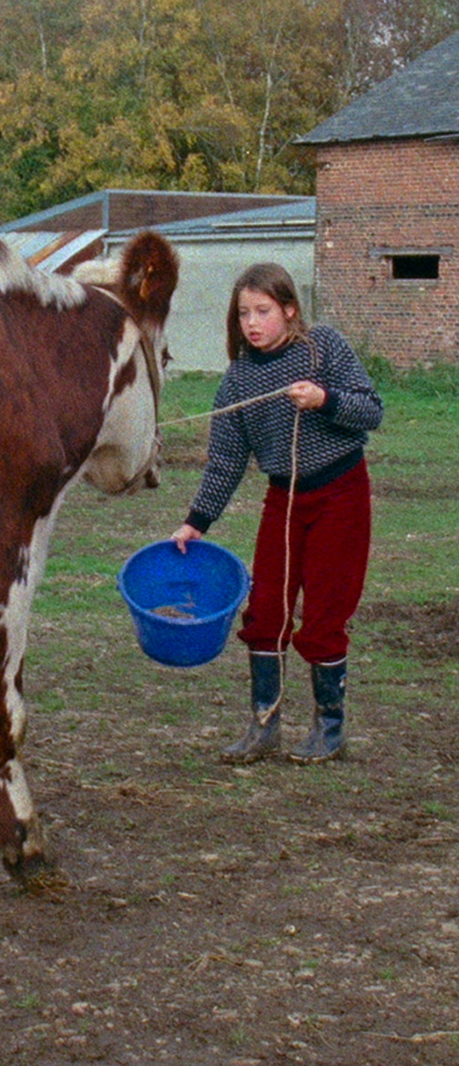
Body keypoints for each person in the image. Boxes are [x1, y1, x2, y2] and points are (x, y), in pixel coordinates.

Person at [171, 263, 383, 765]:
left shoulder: (324, 347)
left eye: (263, 311)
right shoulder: (239, 380)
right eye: (243, 313)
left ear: (289, 310)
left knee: (327, 612)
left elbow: (371, 410)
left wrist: (325, 399)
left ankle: (329, 728)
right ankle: (264, 727)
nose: (252, 322)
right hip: (283, 501)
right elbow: (225, 461)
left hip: (340, 494)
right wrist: (196, 521)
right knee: (266, 610)